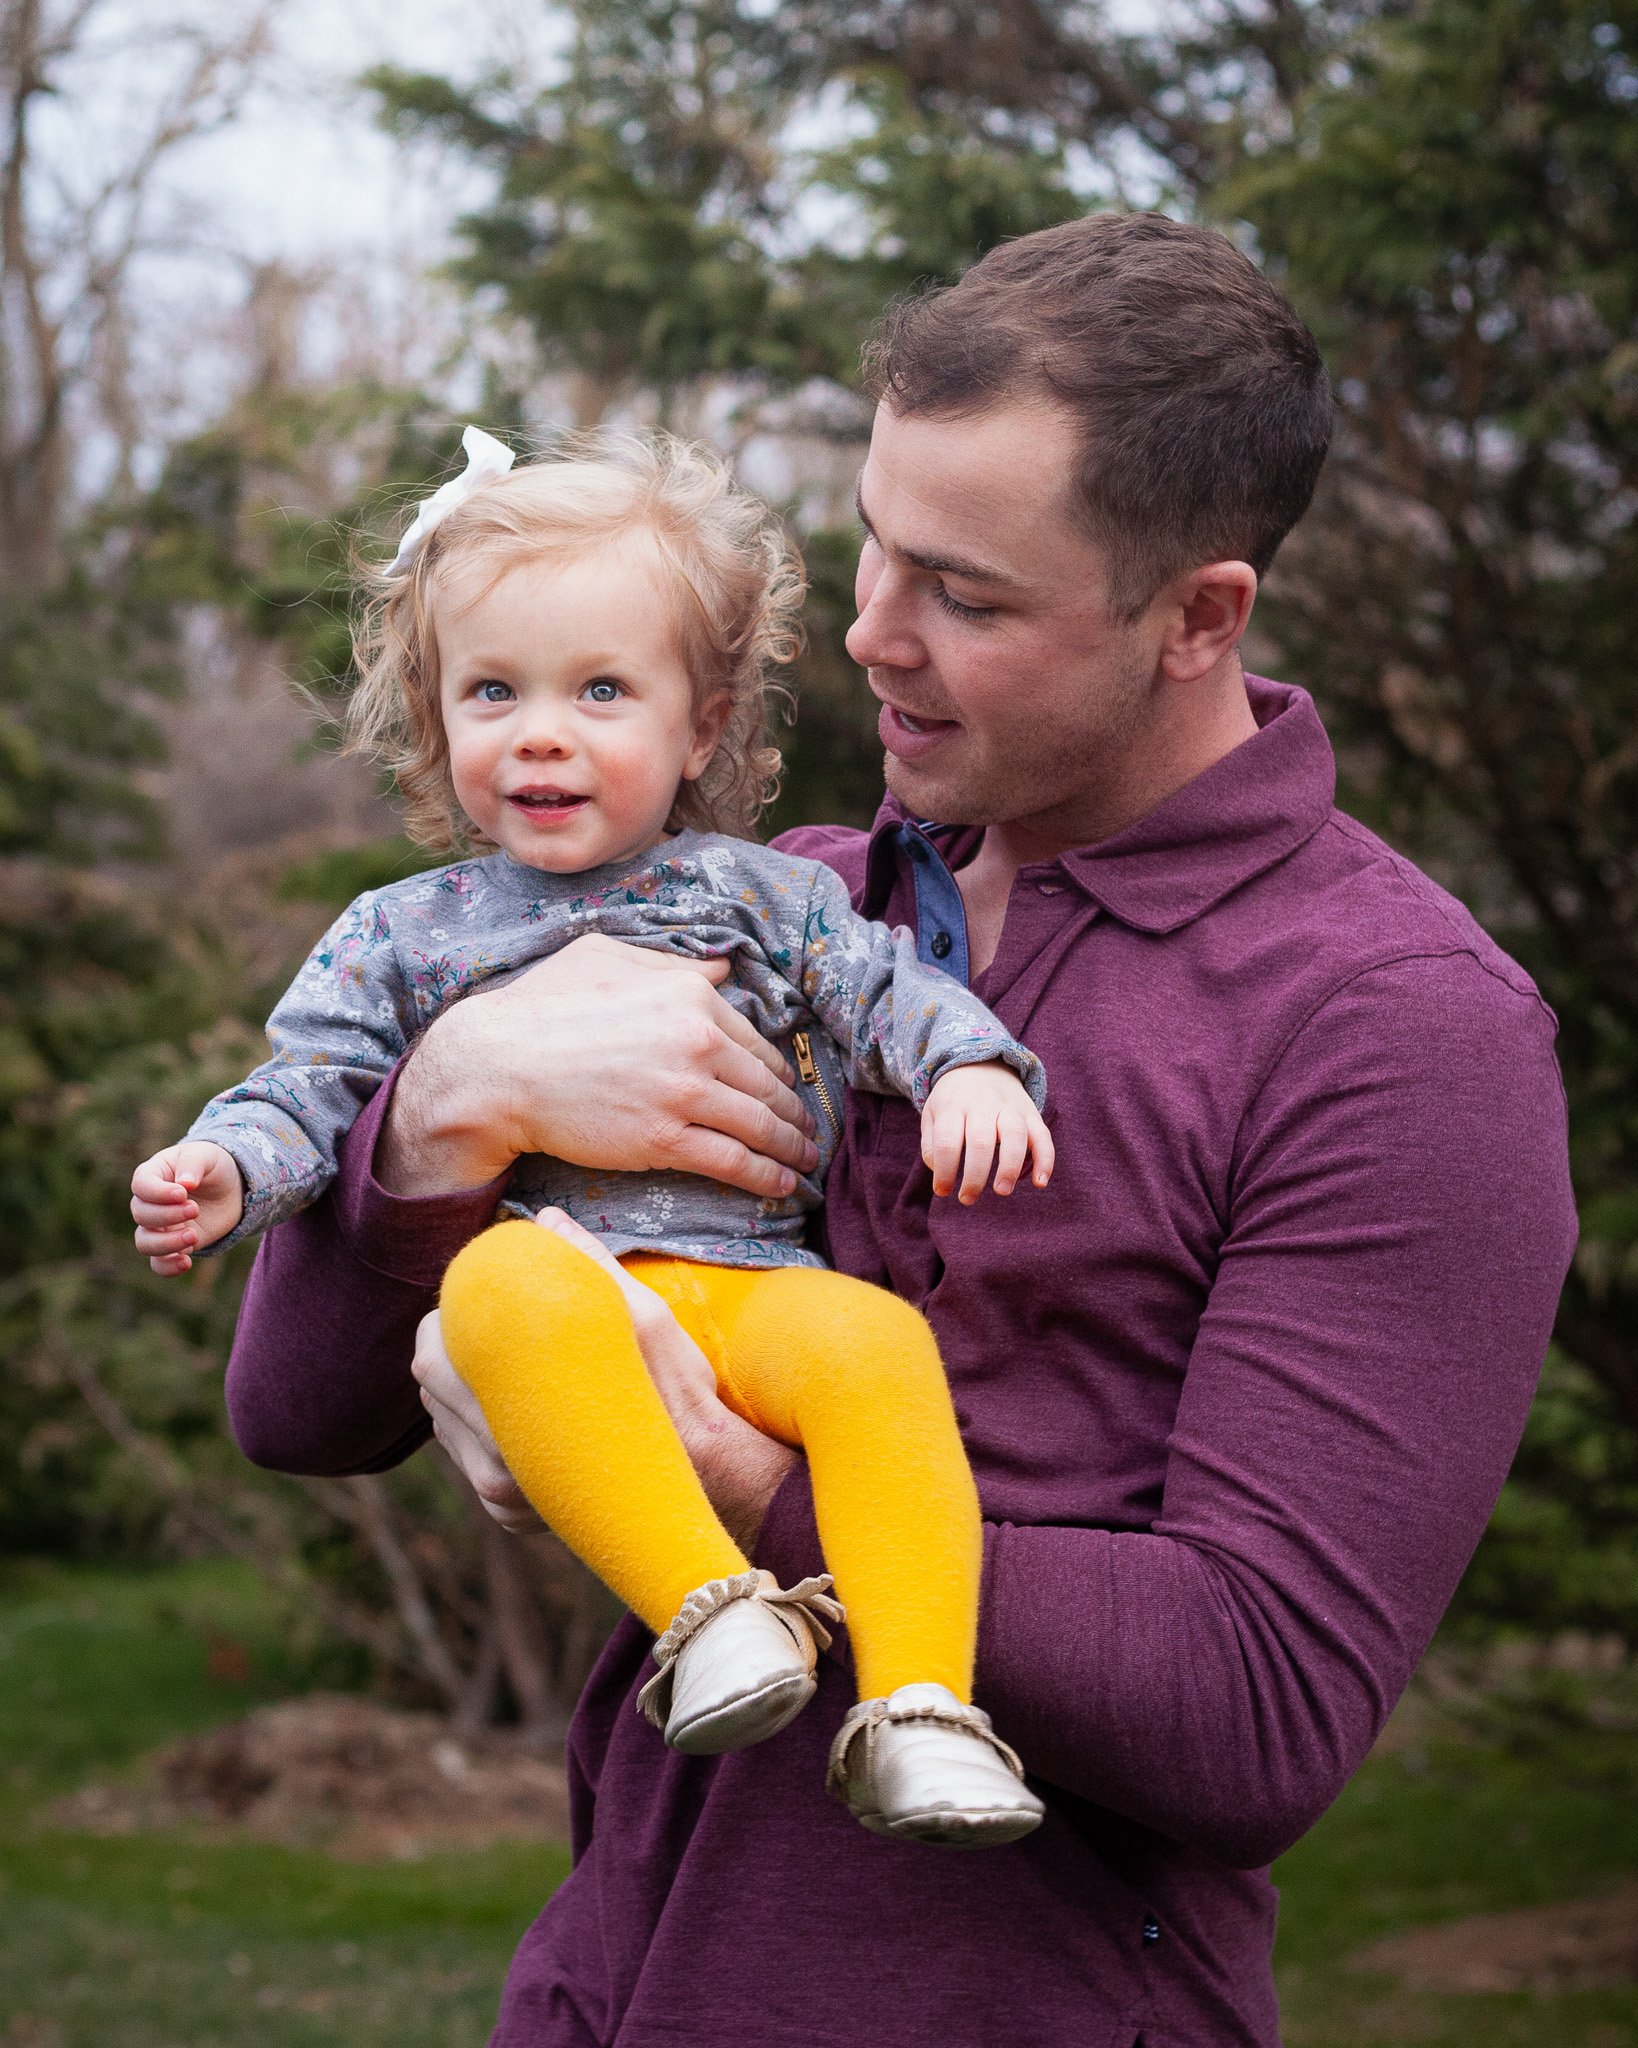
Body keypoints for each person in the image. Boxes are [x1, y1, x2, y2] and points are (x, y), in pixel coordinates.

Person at [210, 214, 1577, 2047]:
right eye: (871, 540)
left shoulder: (1397, 1028)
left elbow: (1259, 1712)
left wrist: (740, 1484)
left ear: (1199, 618)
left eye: (968, 595)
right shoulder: (783, 907)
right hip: (610, 1983)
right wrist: (435, 1124)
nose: (867, 633)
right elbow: (301, 1414)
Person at [129, 429, 1055, 1846]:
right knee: (499, 1286)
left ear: (701, 725)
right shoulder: (403, 933)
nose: (540, 731)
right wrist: (226, 1169)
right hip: (560, 1289)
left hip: (748, 1293)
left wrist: (970, 1071)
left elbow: (889, 992)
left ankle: (921, 1706)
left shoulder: (764, 895)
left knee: (876, 1350)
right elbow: (306, 1089)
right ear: (436, 722)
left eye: (601, 689)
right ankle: (712, 1616)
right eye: (491, 690)